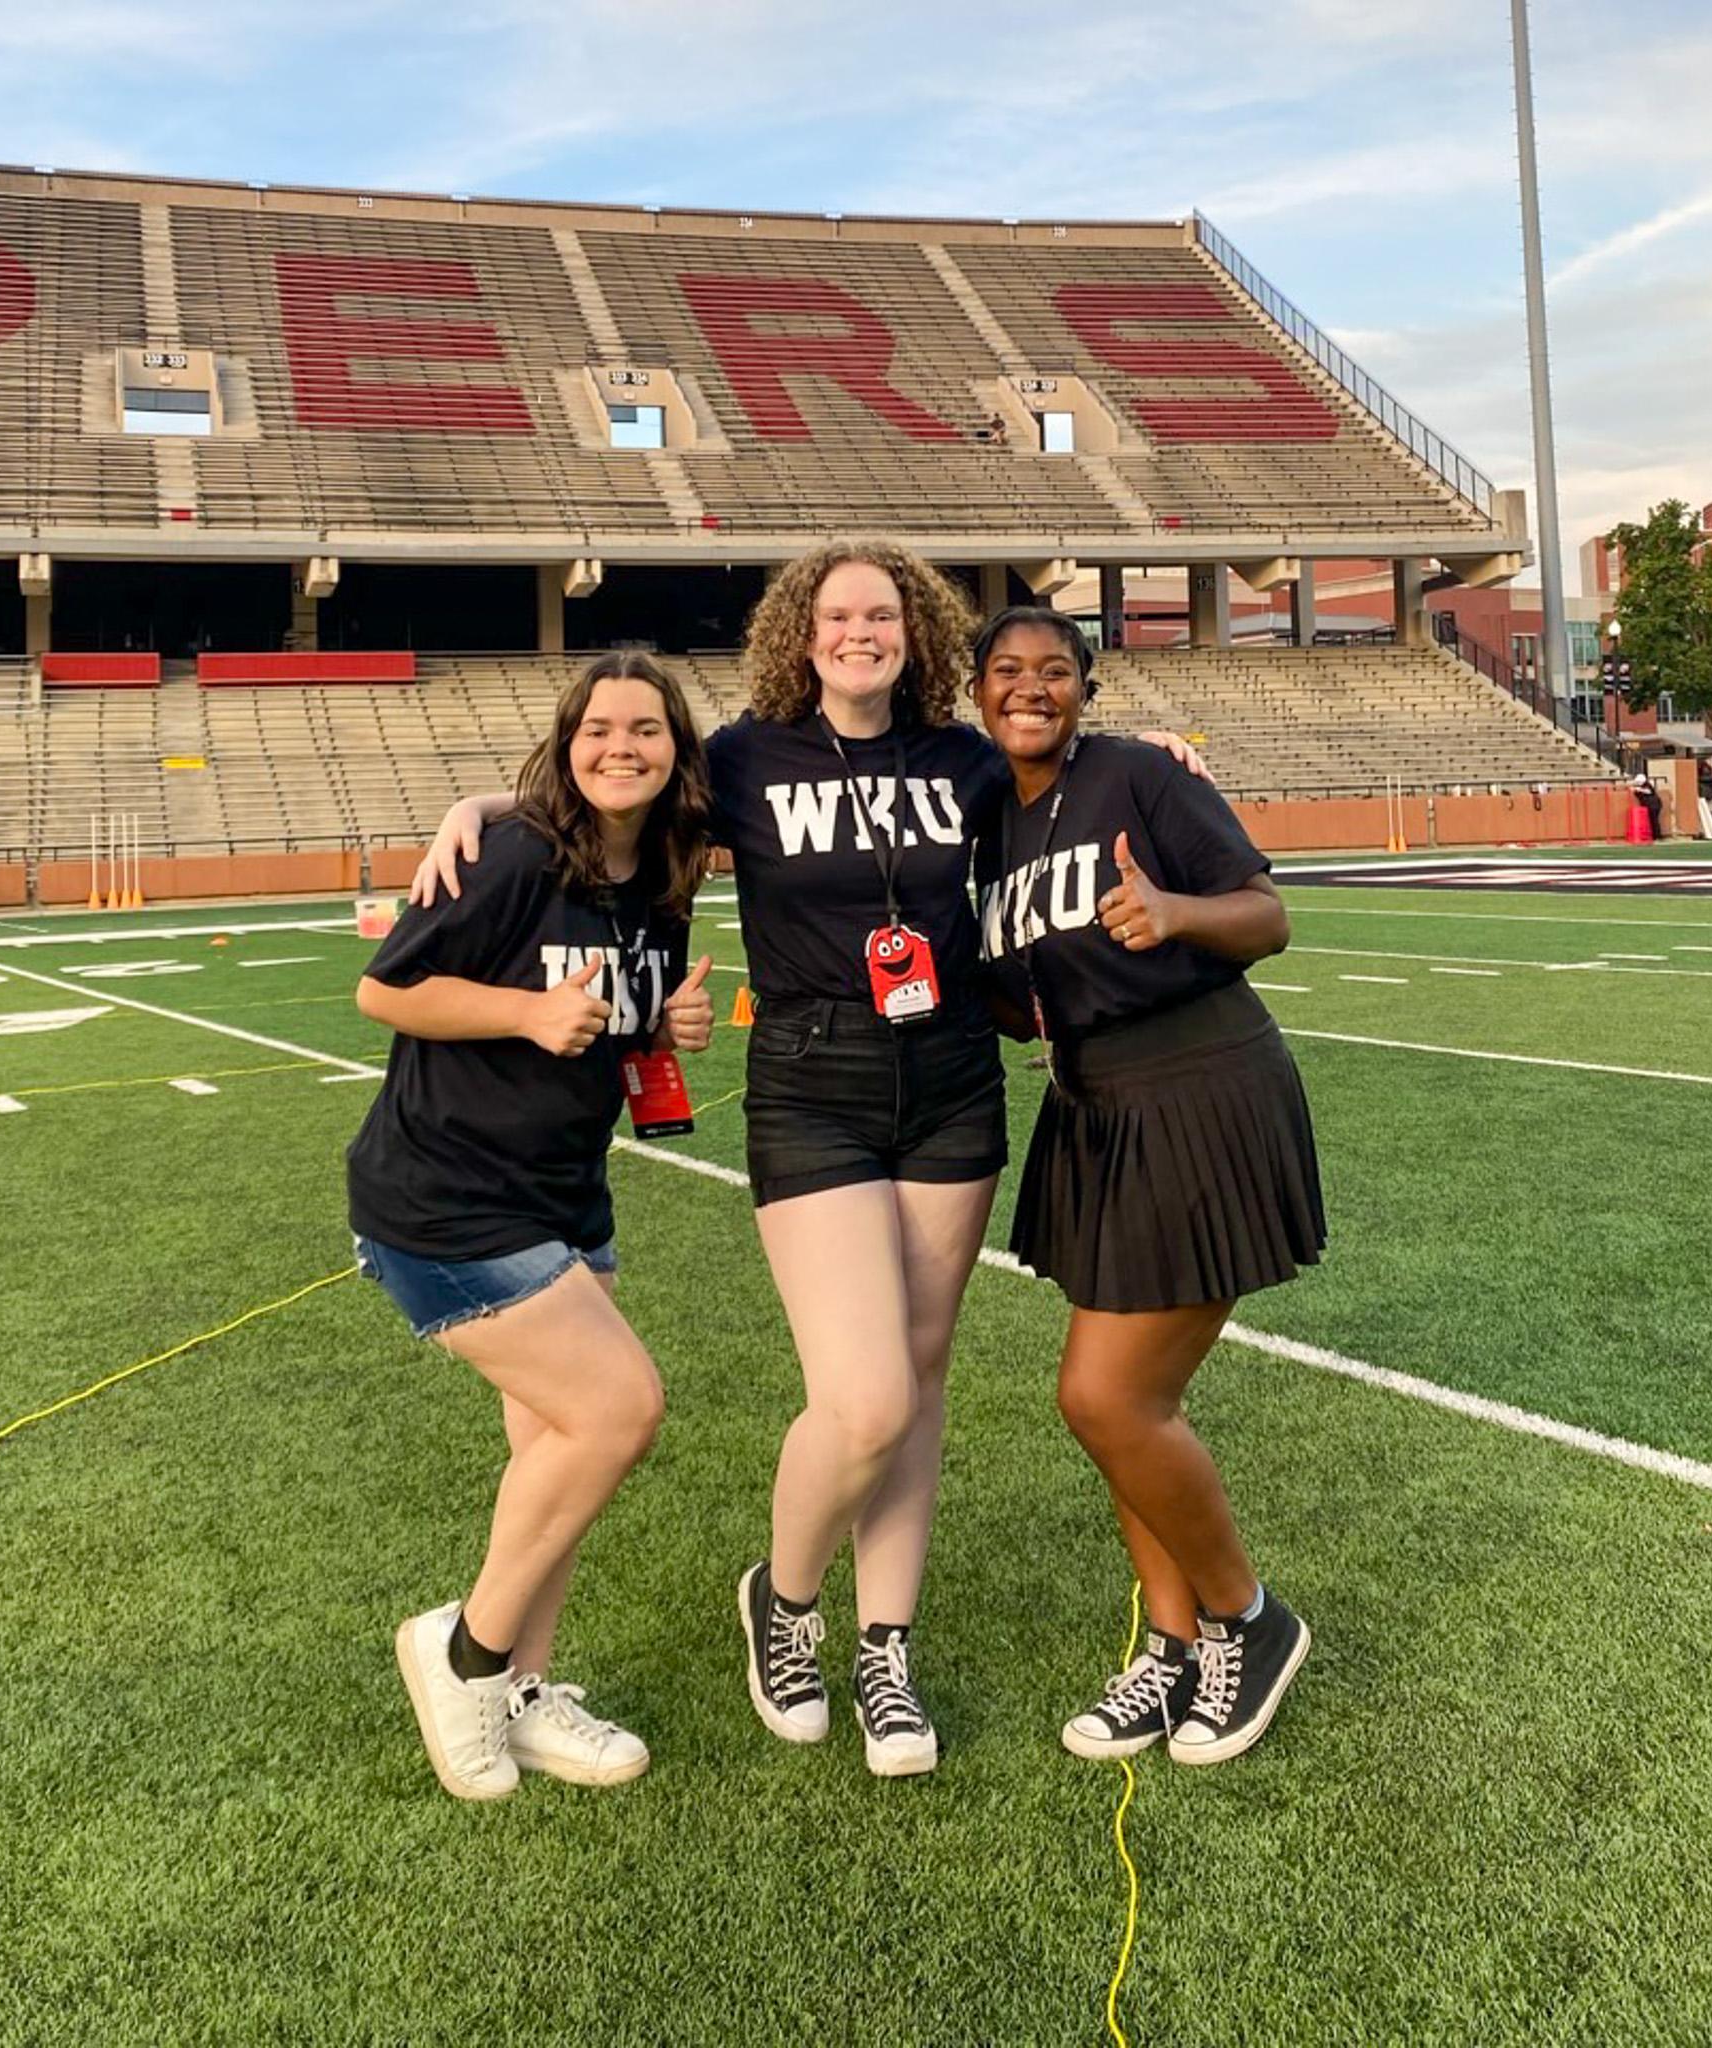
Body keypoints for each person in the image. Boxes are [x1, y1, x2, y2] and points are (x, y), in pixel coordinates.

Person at [414, 551, 1208, 1778]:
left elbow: (1065, 761)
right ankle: (783, 1601)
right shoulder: (741, 755)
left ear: (913, 631)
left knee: (924, 1378)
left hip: (946, 1080)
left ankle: (885, 1644)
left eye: (880, 613)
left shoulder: (959, 756)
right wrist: (477, 806)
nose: (858, 632)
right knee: (864, 1395)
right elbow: (610, 793)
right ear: (802, 631)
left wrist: (1151, 747)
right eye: (836, 613)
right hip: (809, 1081)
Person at [349, 650, 715, 1801]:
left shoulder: (665, 871)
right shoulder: (509, 853)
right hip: (445, 1196)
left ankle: (522, 1689)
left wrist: (666, 1017)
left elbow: (609, 1015)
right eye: (598, 728)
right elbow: (386, 989)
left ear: (675, 748)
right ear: (566, 743)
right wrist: (523, 1009)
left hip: (562, 1193)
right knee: (619, 1409)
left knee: (550, 1454)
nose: (622, 747)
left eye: (645, 729)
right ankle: (461, 1651)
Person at [970, 607, 1325, 1767]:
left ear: (1084, 687)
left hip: (1197, 1084)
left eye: (1054, 671)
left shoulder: (1135, 774)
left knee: (1105, 1398)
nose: (1031, 688)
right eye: (1008, 671)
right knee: (1128, 1409)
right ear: (976, 691)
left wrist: (1173, 910)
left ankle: (1248, 1619)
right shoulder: (985, 816)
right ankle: (1168, 1651)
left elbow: (1265, 914)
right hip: (1089, 1109)